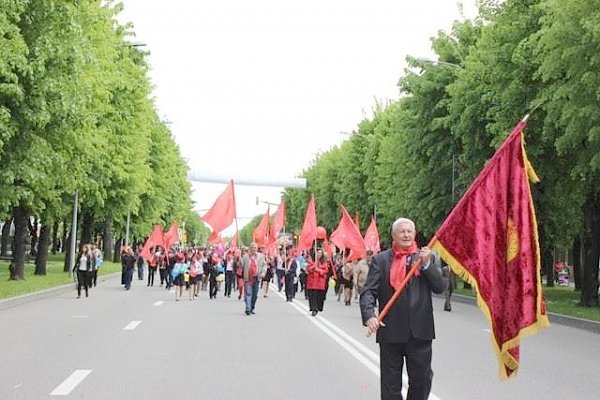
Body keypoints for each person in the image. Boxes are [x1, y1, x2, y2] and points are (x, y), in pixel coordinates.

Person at [360, 217, 445, 400]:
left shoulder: (426, 257)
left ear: (414, 234)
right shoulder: (381, 260)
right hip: (390, 331)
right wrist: (369, 315)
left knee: (421, 381)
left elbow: (440, 287)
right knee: (390, 385)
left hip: (420, 332)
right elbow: (368, 292)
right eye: (402, 231)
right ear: (394, 235)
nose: (406, 235)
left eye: (409, 231)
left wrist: (427, 265)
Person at [240, 242, 267, 315]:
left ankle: (252, 307)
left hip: (257, 277)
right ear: (249, 249)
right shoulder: (245, 257)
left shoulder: (261, 256)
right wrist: (239, 258)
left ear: (257, 248)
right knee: (248, 293)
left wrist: (263, 273)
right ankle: (248, 308)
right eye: (252, 247)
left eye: (255, 248)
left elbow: (265, 265)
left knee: (255, 294)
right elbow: (241, 266)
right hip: (248, 277)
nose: (253, 249)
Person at [306, 249, 329, 316]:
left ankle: (318, 308)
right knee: (312, 296)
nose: (319, 254)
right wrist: (313, 266)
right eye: (317, 253)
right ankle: (313, 309)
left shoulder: (324, 262)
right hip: (312, 282)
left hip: (320, 283)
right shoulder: (311, 261)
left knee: (319, 297)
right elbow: (308, 269)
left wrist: (318, 270)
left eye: (320, 253)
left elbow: (325, 271)